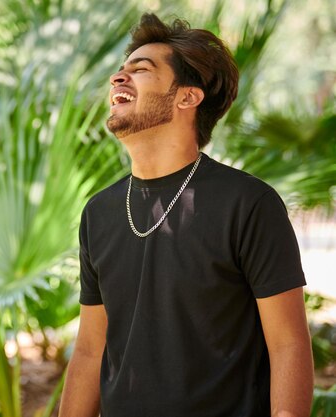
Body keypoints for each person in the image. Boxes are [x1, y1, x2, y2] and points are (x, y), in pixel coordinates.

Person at [59, 13, 313, 417]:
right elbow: (91, 349)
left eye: (140, 70)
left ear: (187, 97)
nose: (117, 79)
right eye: (120, 70)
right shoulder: (99, 212)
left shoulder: (248, 203)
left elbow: (288, 344)